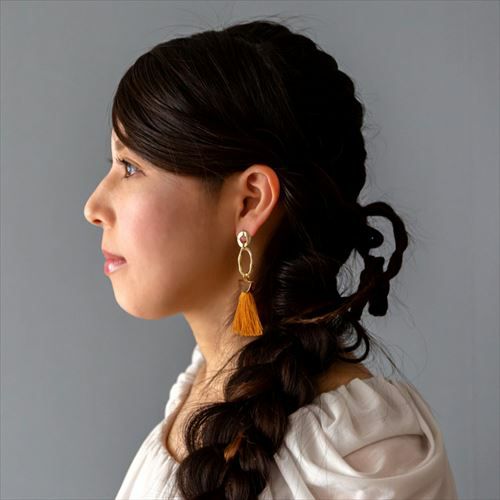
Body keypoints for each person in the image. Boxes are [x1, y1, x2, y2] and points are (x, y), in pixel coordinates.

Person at [83, 16, 458, 500]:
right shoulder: (198, 392)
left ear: (250, 200)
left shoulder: (362, 453)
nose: (93, 206)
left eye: (131, 167)